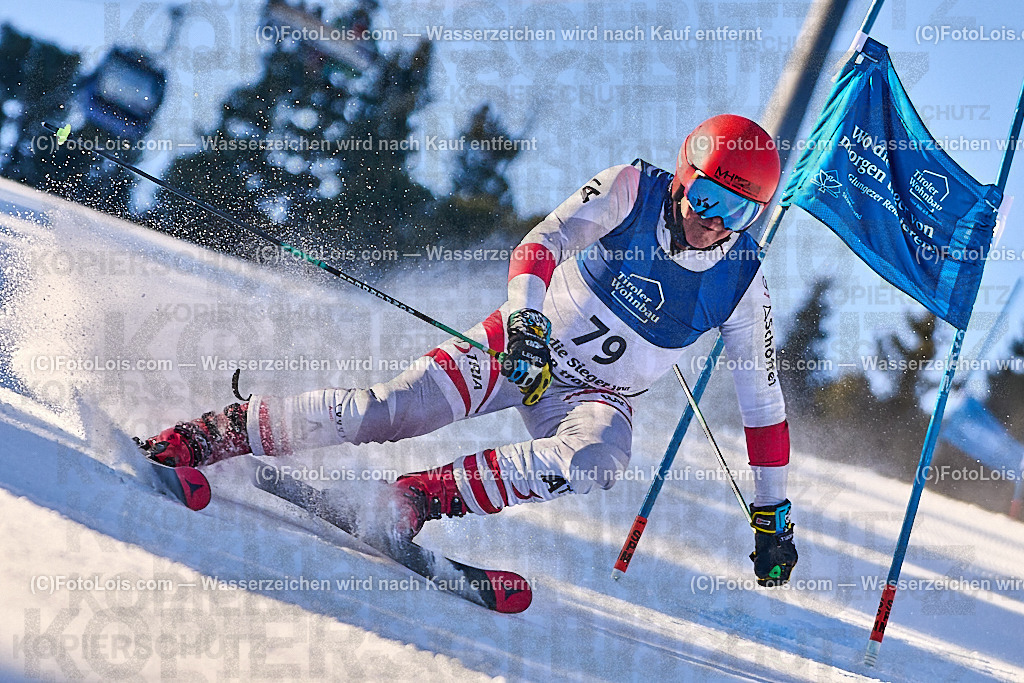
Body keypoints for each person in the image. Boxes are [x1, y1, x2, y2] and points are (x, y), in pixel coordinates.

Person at [139, 114, 798, 586]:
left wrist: (773, 518)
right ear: (685, 177)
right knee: (388, 412)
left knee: (598, 459)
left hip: (599, 393)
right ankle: (217, 432)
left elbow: (764, 408)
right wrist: (526, 325)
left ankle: (416, 498)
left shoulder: (744, 282)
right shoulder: (632, 187)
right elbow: (540, 246)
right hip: (521, 347)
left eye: (736, 213)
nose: (713, 221)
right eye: (708, 195)